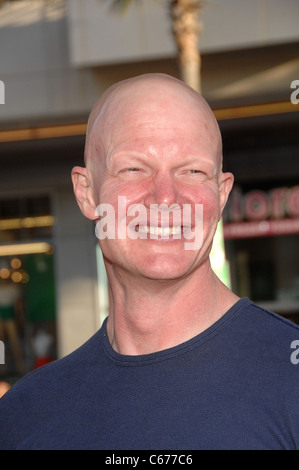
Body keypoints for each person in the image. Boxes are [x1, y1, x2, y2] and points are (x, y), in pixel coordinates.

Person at [0, 73, 298, 450]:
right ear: (86, 192)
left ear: (221, 196)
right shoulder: (23, 416)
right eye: (134, 169)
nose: (165, 198)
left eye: (192, 171)